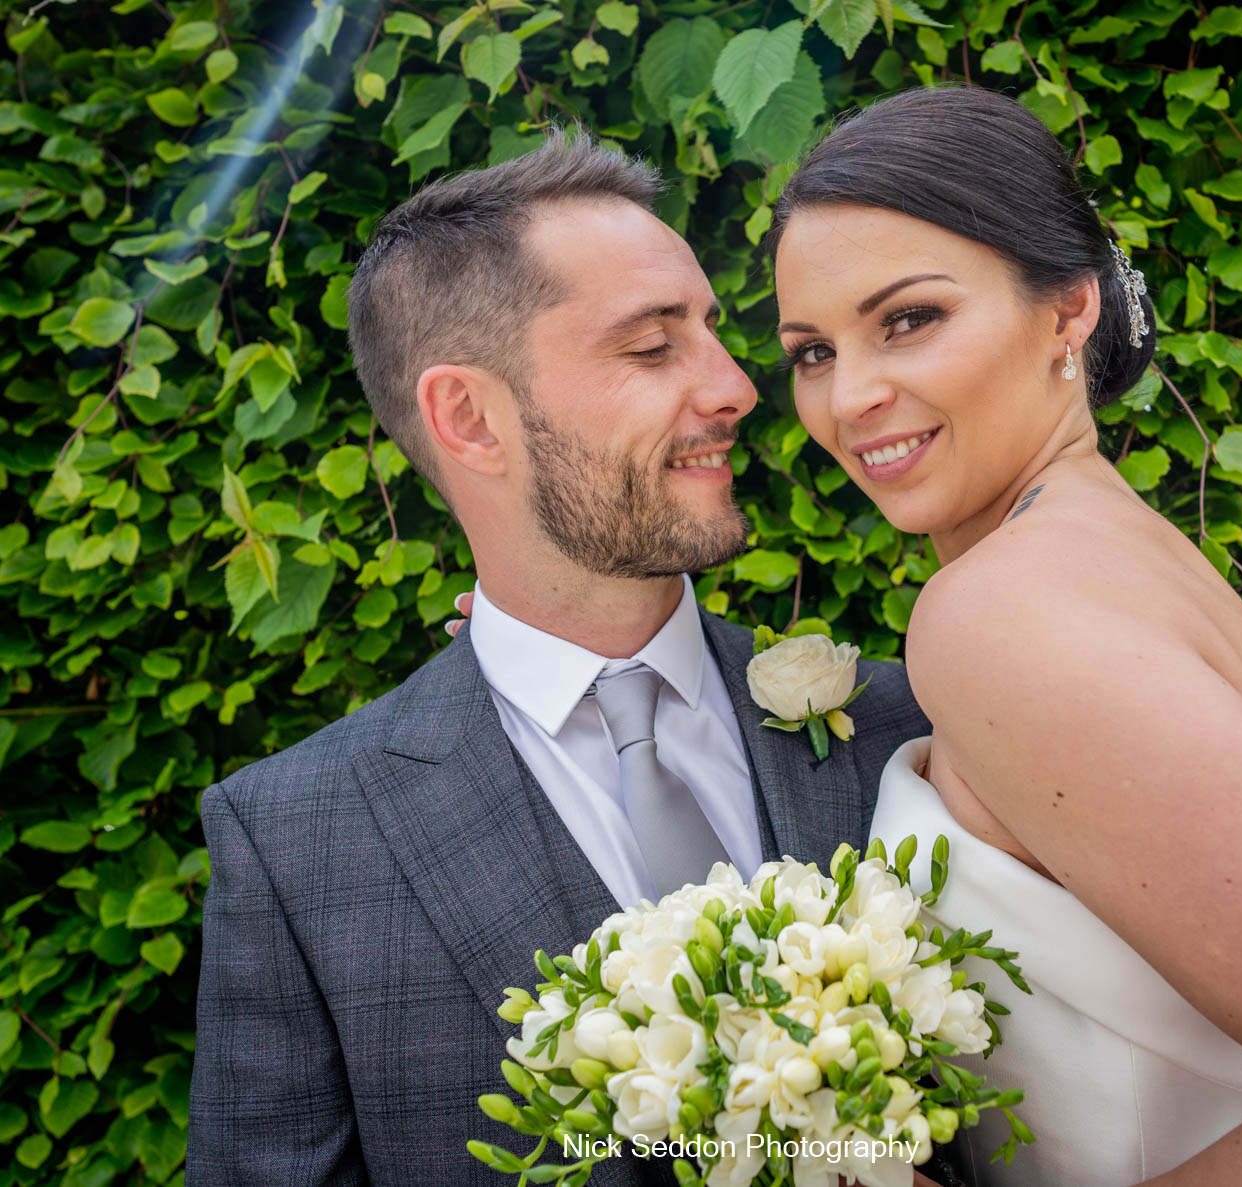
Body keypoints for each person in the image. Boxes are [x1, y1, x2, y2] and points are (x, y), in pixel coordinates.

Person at [765, 85, 1242, 1186]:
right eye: (811, 351)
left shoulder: (1000, 610)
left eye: (907, 319)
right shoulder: (1124, 554)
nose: (850, 395)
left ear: (1068, 310)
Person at [185, 134, 931, 1186]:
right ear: (469, 417)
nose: (735, 389)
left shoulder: (909, 728)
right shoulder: (298, 839)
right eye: (650, 346)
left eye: (713, 332)